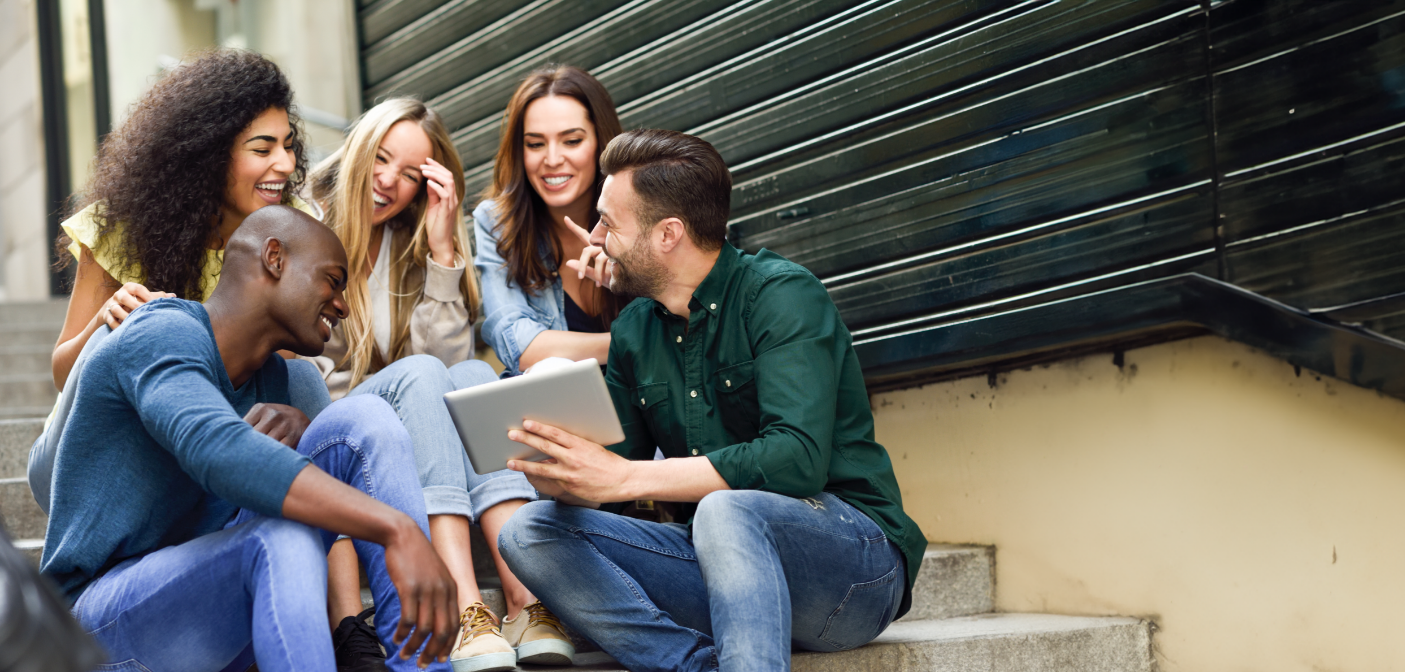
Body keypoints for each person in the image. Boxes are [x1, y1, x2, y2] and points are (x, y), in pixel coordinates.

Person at [496, 130, 928, 672]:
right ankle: (693, 664)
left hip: (853, 570)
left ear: (668, 234)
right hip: (720, 568)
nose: (597, 237)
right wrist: (559, 468)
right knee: (529, 530)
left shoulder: (781, 296)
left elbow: (796, 460)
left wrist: (627, 479)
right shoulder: (634, 329)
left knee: (727, 508)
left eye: (610, 222)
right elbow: (613, 474)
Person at [40, 205, 460, 671]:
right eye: (333, 280)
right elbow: (215, 449)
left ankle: (422, 666)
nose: (342, 304)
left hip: (212, 613)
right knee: (276, 540)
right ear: (274, 258)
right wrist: (395, 528)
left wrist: (308, 434)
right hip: (99, 627)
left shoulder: (277, 381)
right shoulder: (160, 329)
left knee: (365, 417)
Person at [305, 98, 572, 671]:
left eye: (408, 175)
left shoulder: (410, 239)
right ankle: (463, 606)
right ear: (357, 149)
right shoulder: (306, 224)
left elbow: (447, 362)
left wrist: (443, 248)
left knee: (476, 377)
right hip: (338, 426)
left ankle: (525, 602)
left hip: (409, 407)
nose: (388, 183)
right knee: (432, 376)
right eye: (380, 160)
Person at [31, 49, 330, 513]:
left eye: (288, 145)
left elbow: (276, 367)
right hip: (88, 453)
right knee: (126, 333)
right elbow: (61, 372)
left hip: (203, 442)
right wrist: (106, 326)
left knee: (299, 377)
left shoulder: (291, 232)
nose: (286, 164)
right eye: (263, 148)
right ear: (209, 155)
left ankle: (334, 550)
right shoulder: (119, 229)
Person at [474, 65, 625, 377]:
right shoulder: (497, 223)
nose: (552, 159)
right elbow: (519, 346)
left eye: (571, 141)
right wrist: (629, 343)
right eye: (535, 144)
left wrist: (630, 277)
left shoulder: (643, 208)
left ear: (601, 141)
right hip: (560, 411)